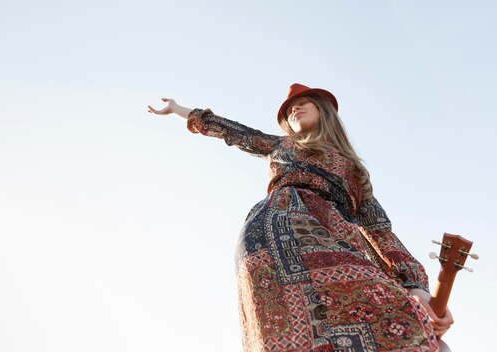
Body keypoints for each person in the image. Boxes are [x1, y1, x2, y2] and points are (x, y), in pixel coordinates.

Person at [148, 83, 454, 351]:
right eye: (289, 111)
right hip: (279, 230)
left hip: (335, 235)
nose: (294, 109)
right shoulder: (283, 146)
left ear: (323, 111)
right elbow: (235, 132)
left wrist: (418, 287)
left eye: (302, 104)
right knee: (298, 335)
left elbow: (381, 231)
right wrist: (178, 109)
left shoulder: (354, 171)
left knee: (404, 321)